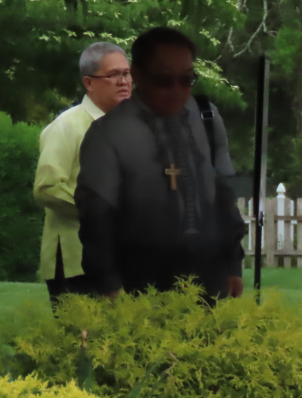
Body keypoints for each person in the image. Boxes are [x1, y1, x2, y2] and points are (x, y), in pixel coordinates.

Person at [76, 27, 246, 300]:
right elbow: (96, 220)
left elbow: (223, 194)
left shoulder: (206, 118)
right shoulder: (107, 134)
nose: (177, 90)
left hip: (209, 278)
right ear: (139, 75)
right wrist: (108, 285)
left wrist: (233, 263)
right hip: (138, 286)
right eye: (165, 80)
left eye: (187, 79)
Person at [33, 42, 131, 304]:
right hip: (76, 262)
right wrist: (103, 213)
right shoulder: (68, 126)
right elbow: (47, 188)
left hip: (124, 258)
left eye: (127, 73)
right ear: (89, 82)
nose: (124, 82)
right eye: (113, 75)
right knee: (83, 342)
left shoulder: (131, 127)